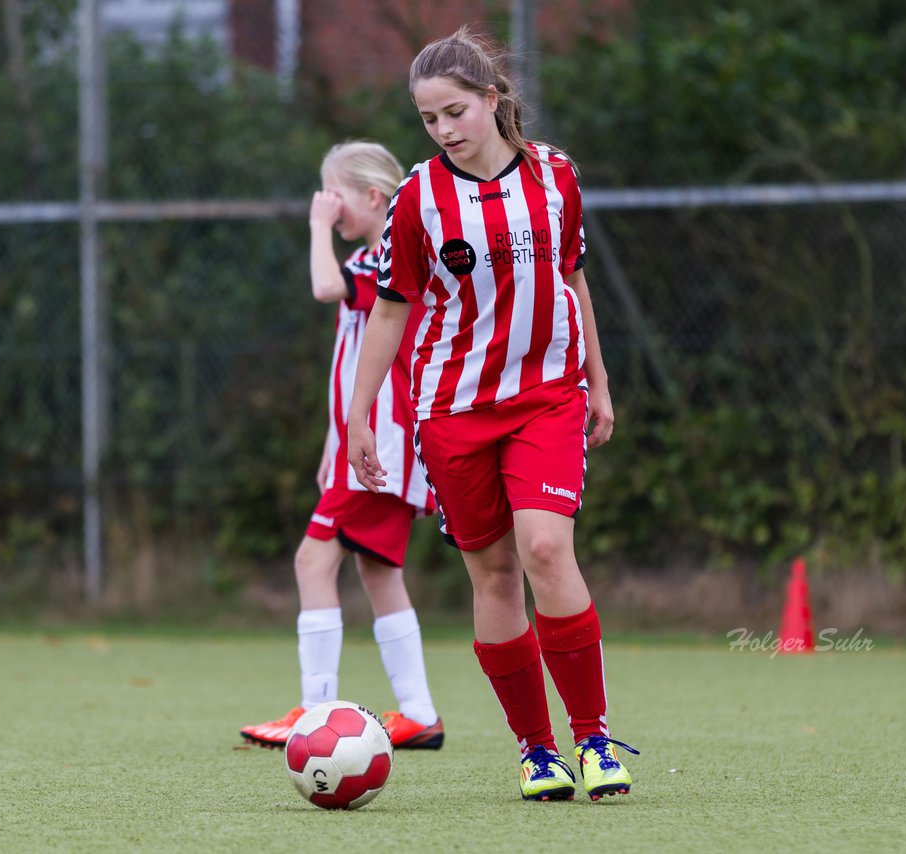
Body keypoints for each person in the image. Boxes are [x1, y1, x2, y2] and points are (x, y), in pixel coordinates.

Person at [346, 27, 638, 802]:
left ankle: (595, 739)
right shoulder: (417, 198)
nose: (442, 130)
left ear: (492, 99)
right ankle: (536, 751)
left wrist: (599, 383)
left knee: (545, 548)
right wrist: (360, 414)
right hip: (453, 408)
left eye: (454, 111)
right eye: (428, 119)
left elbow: (574, 284)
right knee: (496, 573)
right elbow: (390, 312)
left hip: (547, 396)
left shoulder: (556, 177)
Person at [240, 142, 444, 750]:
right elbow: (352, 361)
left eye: (336, 194)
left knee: (312, 560)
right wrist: (334, 444)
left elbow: (325, 287)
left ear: (375, 197)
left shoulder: (386, 256)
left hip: (384, 445)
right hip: (368, 447)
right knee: (376, 570)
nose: (328, 205)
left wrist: (314, 227)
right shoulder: (376, 256)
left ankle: (316, 712)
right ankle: (419, 714)